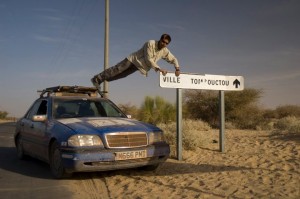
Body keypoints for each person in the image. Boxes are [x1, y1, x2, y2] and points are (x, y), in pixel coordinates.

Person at [91, 33, 181, 91]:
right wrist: (159, 69)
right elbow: (148, 59)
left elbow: (173, 59)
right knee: (117, 70)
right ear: (160, 40)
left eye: (166, 43)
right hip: (132, 60)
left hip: (139, 66)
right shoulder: (150, 43)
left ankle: (101, 80)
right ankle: (97, 79)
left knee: (120, 75)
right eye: (163, 42)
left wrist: (177, 68)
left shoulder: (164, 50)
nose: (164, 44)